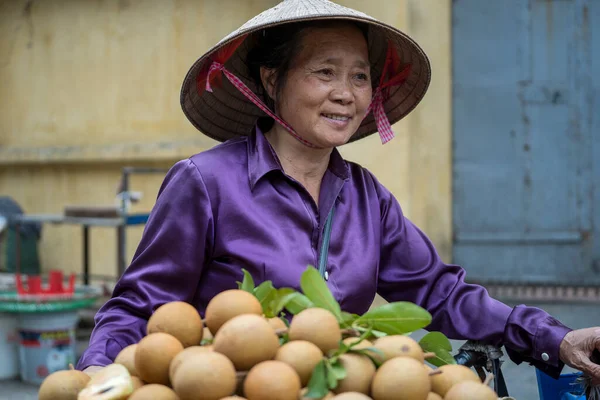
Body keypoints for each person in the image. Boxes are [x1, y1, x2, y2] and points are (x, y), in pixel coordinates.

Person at [77, 0, 600, 385]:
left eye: (359, 76)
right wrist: (98, 377)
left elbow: (440, 292)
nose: (346, 94)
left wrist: (551, 337)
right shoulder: (205, 183)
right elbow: (137, 307)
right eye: (324, 72)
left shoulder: (367, 198)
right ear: (271, 79)